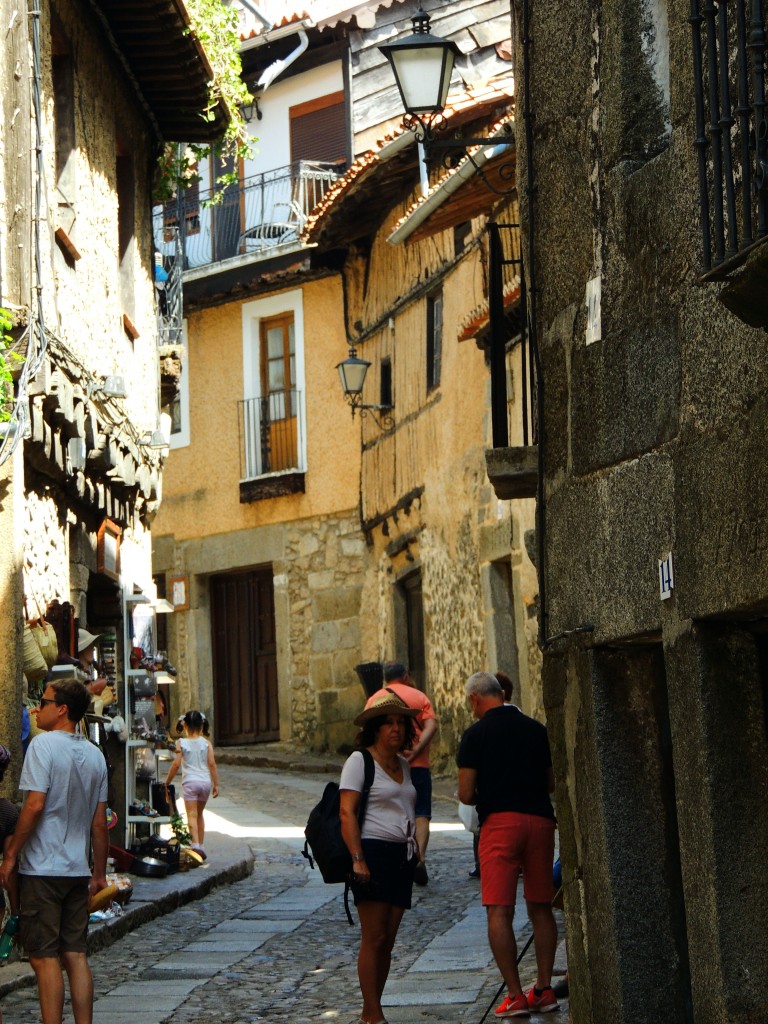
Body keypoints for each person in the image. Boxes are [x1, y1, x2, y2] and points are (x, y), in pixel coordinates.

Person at [0, 679, 108, 1024]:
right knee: (75, 954)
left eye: (43, 702)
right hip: (77, 868)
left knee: (44, 958)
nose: (37, 708)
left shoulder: (42, 746)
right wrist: (99, 873)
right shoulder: (95, 755)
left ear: (62, 709)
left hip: (42, 869)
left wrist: (13, 853)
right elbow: (99, 823)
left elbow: (33, 805)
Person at [457, 672, 558, 1018]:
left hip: (500, 824)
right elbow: (550, 782)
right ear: (502, 694)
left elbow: (466, 794)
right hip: (541, 822)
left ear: (475, 699)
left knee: (499, 911)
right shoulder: (536, 730)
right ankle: (544, 989)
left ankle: (515, 995)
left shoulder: (474, 735)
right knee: (541, 907)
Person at [339, 689, 420, 1024]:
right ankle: (373, 1013)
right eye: (387, 723)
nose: (395, 729)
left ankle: (371, 1008)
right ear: (374, 729)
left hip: (402, 857)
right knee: (373, 937)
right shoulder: (359, 761)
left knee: (388, 939)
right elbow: (347, 813)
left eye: (401, 723)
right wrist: (357, 858)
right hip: (372, 853)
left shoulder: (403, 764)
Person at [381, 662, 437, 885]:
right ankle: (420, 858)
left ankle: (395, 862)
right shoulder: (419, 696)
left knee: (392, 811)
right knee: (421, 812)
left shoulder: (376, 699)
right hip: (419, 765)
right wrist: (416, 749)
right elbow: (431, 726)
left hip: (388, 766)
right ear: (405, 676)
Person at [164, 710, 219, 858]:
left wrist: (167, 781)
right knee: (200, 814)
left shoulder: (181, 743)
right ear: (201, 726)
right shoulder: (207, 744)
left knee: (192, 815)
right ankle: (201, 845)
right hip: (205, 783)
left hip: (190, 783)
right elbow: (212, 764)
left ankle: (194, 846)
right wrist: (216, 784)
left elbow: (176, 765)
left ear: (185, 725)